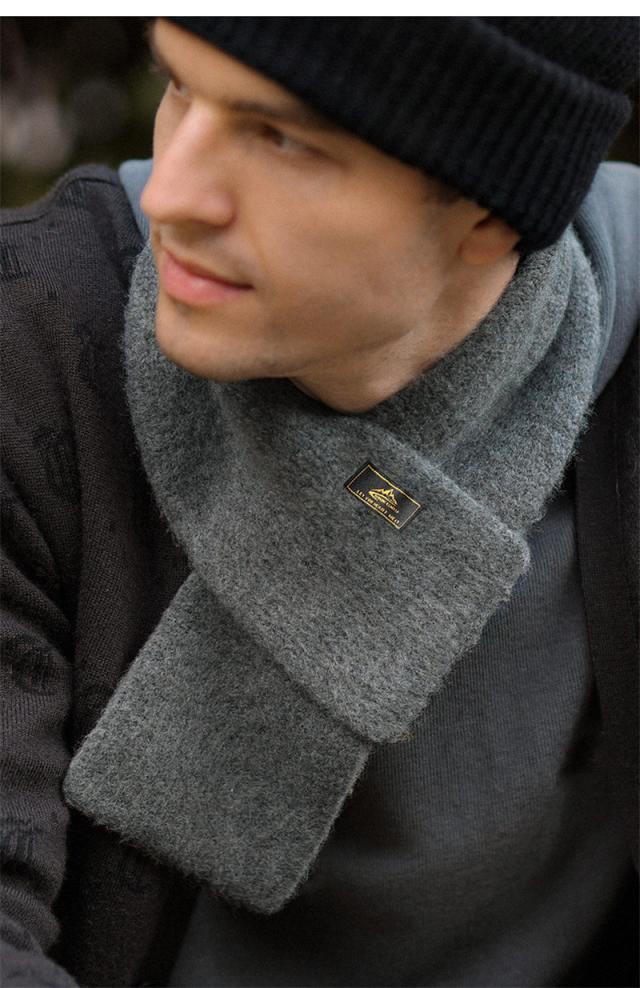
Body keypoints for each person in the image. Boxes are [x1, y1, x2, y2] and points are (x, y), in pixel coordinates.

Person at [1, 16, 638, 988]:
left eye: (282, 139)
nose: (172, 192)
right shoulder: (32, 347)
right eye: (179, 87)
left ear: (492, 208)